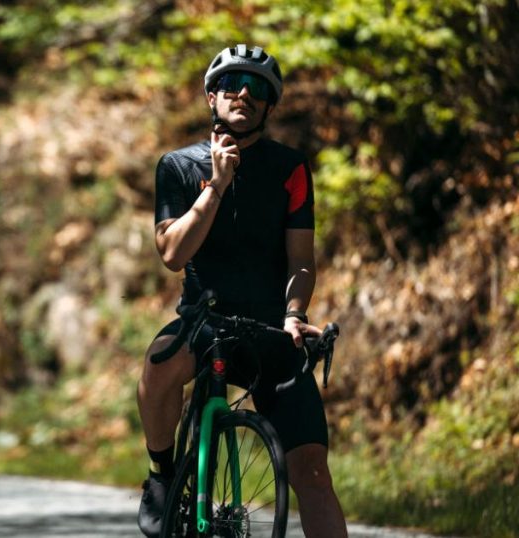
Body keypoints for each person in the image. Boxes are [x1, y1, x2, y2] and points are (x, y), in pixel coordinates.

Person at [136, 44, 349, 538]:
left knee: (314, 472)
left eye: (258, 90)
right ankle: (162, 476)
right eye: (233, 85)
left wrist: (295, 313)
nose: (244, 95)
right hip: (204, 322)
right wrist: (216, 184)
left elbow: (301, 261)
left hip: (273, 329)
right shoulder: (178, 165)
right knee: (156, 370)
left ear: (270, 106)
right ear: (212, 98)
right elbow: (172, 254)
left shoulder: (290, 168)